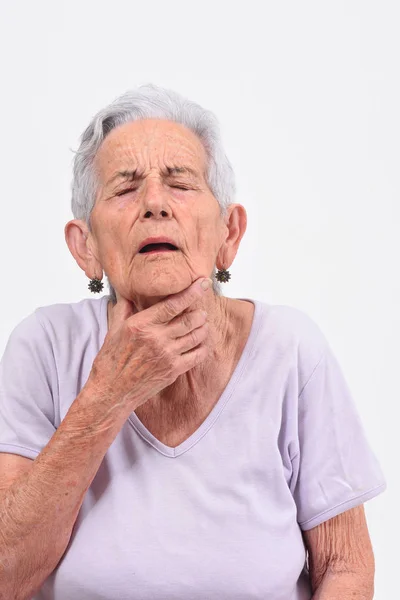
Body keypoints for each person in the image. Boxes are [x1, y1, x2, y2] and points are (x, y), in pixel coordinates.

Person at [0, 84, 386, 600]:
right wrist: (107, 395)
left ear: (229, 233)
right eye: (124, 188)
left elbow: (346, 567)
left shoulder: (291, 350)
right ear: (85, 247)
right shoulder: (43, 347)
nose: (155, 203)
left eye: (180, 184)